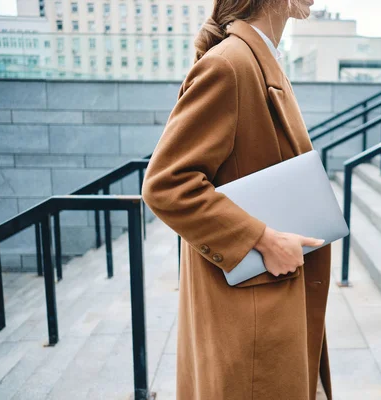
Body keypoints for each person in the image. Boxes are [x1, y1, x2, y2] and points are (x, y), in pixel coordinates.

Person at [140, 0, 334, 399]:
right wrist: (261, 238)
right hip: (250, 318)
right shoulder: (230, 64)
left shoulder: (260, 60)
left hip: (265, 304)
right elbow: (166, 183)